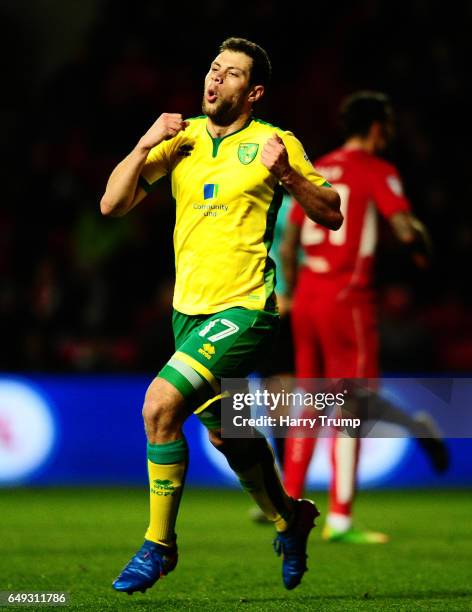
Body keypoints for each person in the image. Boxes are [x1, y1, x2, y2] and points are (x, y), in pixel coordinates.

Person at [100, 37, 342, 593]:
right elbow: (112, 204)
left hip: (247, 309)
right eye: (213, 68)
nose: (215, 79)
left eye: (231, 74)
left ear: (252, 92)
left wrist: (287, 175)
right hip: (189, 314)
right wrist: (142, 146)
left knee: (159, 405)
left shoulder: (274, 143)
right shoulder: (180, 139)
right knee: (229, 436)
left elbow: (331, 213)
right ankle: (290, 518)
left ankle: (159, 545)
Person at [281, 91, 436, 544]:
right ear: (375, 128)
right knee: (352, 406)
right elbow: (405, 230)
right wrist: (424, 247)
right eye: (386, 126)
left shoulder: (319, 166)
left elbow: (288, 239)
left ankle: (288, 504)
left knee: (309, 401)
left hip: (307, 293)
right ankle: (342, 517)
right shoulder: (376, 170)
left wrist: (289, 291)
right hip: (347, 298)